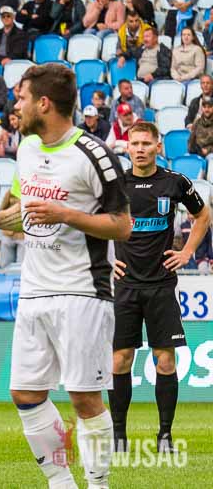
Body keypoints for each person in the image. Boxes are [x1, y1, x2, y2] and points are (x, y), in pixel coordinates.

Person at [0, 63, 131, 489]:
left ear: (44, 103)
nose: (16, 106)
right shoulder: (27, 149)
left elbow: (122, 225)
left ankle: (97, 485)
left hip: (82, 290)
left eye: (22, 98)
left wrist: (67, 214)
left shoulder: (95, 154)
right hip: (34, 289)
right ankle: (61, 483)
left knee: (84, 398)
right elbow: (29, 212)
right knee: (25, 393)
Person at [111, 121, 210, 453]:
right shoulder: (116, 183)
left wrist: (187, 252)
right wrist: (106, 260)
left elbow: (203, 215)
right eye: (134, 143)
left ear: (158, 146)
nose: (139, 149)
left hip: (161, 285)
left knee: (165, 361)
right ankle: (119, 437)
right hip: (124, 286)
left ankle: (165, 435)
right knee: (120, 360)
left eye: (145, 143)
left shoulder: (174, 182)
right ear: (127, 147)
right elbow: (91, 222)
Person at [189, 95, 213, 160]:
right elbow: (191, 140)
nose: (207, 109)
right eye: (204, 107)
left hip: (210, 154)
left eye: (209, 107)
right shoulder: (197, 122)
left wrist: (208, 150)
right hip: (197, 153)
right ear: (202, 108)